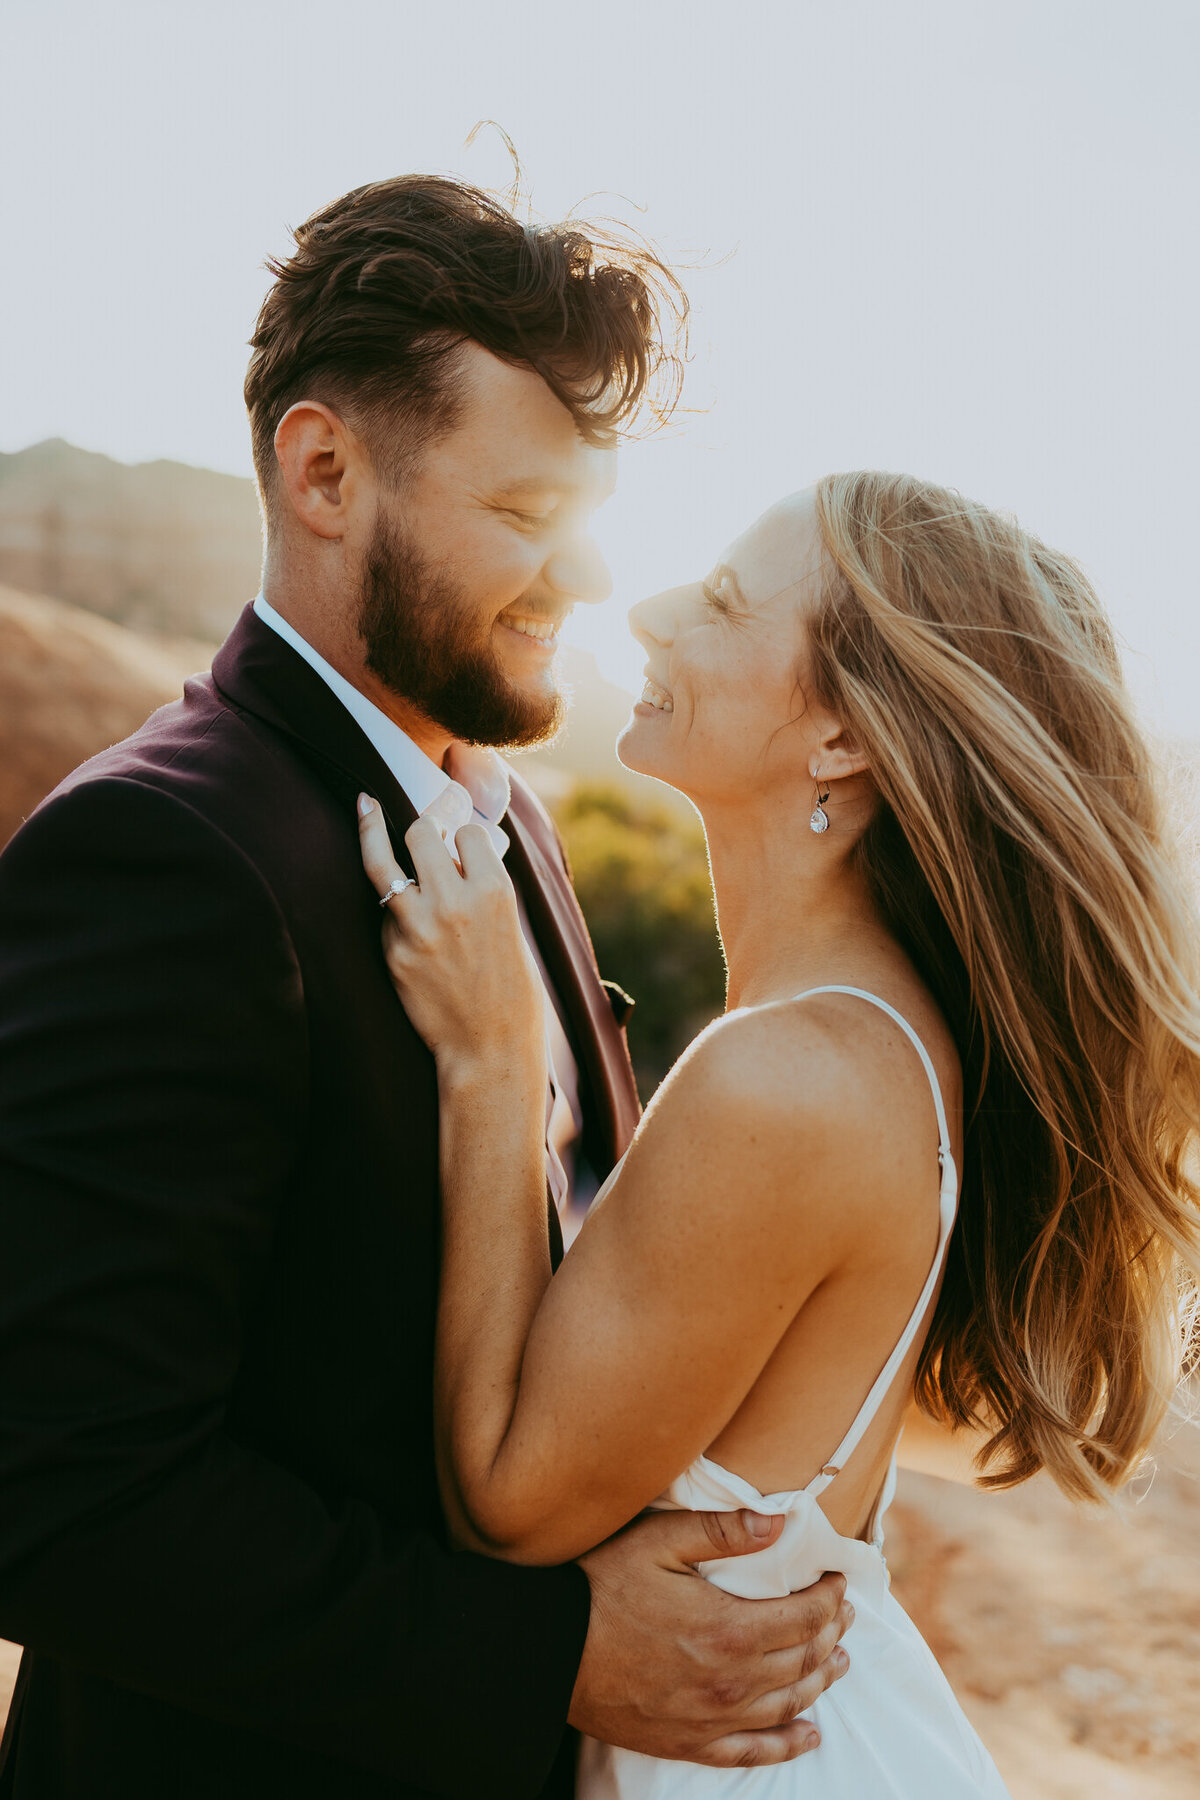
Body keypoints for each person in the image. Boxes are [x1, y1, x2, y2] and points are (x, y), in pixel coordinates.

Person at [0, 179, 853, 1800]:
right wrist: (552, 1654)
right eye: (528, 517)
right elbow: (53, 1486)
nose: (585, 580)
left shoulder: (508, 811)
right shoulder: (161, 854)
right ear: (324, 471)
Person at [358, 471, 1200, 1796]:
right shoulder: (882, 1037)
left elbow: (509, 1505)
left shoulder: (791, 1076)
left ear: (841, 740)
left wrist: (493, 1064)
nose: (646, 610)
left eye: (726, 602)